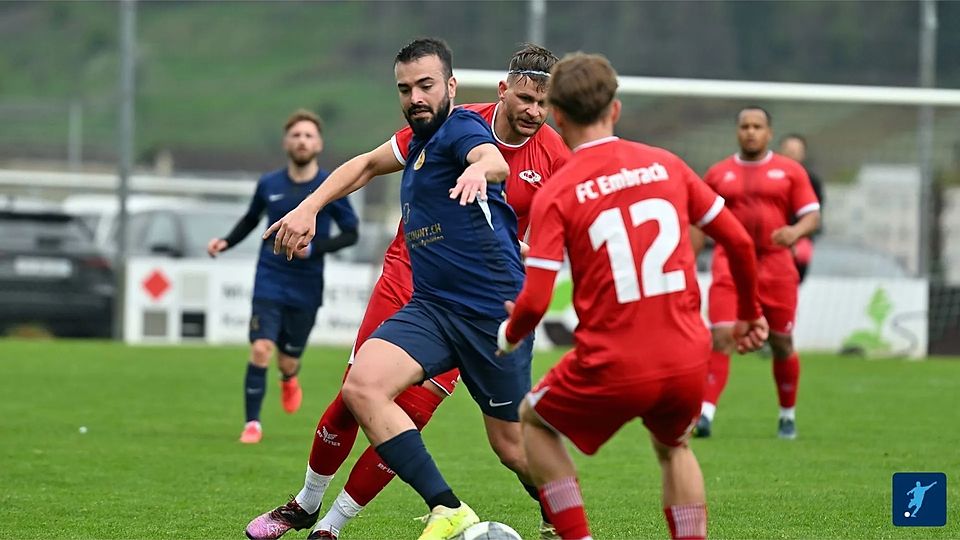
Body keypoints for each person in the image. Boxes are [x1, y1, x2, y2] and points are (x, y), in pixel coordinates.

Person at [244, 43, 568, 540]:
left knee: (509, 446)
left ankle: (561, 512)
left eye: (544, 104)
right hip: (419, 289)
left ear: (449, 86)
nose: (533, 111)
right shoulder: (440, 123)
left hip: (488, 306)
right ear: (502, 91)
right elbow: (367, 164)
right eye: (525, 98)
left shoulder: (508, 144)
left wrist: (485, 171)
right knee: (358, 392)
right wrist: (310, 206)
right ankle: (325, 514)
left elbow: (499, 170)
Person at [496, 52, 768, 540]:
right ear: (615, 110)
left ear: (556, 115)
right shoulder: (668, 165)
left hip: (615, 360)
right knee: (675, 448)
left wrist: (510, 335)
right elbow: (742, 242)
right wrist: (747, 315)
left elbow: (534, 301)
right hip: (687, 357)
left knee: (534, 423)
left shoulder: (558, 191)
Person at [207, 109, 359, 444]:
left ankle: (289, 377)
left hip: (306, 284)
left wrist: (315, 248)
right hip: (270, 277)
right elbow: (250, 220)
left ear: (318, 144)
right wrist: (226, 242)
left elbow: (351, 233)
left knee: (288, 359)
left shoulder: (329, 187)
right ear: (286, 142)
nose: (302, 141)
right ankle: (252, 424)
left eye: (308, 136)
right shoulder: (269, 184)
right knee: (261, 348)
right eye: (296, 135)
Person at [694, 107, 821, 440]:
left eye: (757, 126)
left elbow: (812, 215)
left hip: (777, 267)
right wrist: (688, 260)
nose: (750, 132)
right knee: (721, 336)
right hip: (730, 264)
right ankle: (705, 414)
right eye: (745, 126)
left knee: (781, 343)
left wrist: (795, 232)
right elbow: (698, 220)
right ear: (737, 131)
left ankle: (787, 415)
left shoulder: (790, 172)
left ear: (769, 132)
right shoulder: (719, 173)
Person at [779, 133, 825, 282]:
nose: (791, 154)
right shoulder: (769, 178)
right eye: (788, 149)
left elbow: (814, 214)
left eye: (796, 150)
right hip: (773, 239)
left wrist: (796, 234)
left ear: (803, 154)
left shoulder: (812, 181)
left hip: (799, 239)